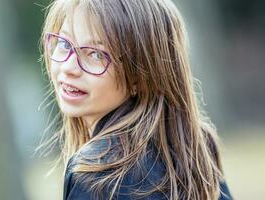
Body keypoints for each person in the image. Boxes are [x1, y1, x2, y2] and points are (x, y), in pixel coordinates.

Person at [40, 0, 233, 199]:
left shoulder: (97, 174)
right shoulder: (195, 147)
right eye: (64, 43)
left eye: (96, 54)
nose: (69, 68)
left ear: (140, 77)